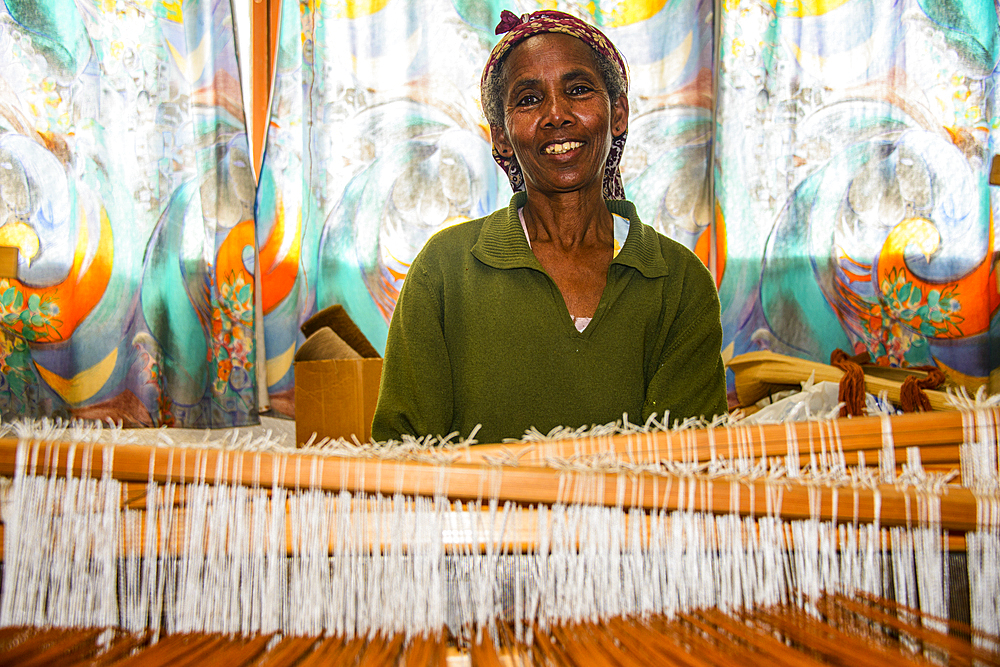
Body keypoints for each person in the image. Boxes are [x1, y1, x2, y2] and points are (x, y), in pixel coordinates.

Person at [371, 10, 727, 443]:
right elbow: (399, 456)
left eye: (578, 91)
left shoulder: (679, 281)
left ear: (618, 115)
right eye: (528, 99)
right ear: (501, 136)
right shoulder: (445, 271)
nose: (556, 115)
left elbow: (688, 468)